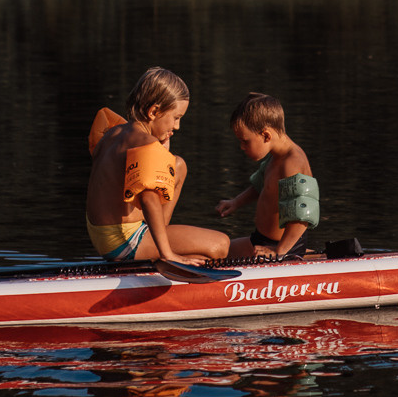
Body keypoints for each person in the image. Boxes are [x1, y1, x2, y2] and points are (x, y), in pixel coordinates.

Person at [86, 67, 231, 264]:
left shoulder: (114, 133)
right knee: (220, 246)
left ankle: (162, 246)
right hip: (125, 242)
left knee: (178, 165)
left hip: (103, 237)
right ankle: (163, 252)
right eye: (176, 118)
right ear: (154, 111)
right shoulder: (145, 144)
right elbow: (148, 200)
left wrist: (160, 150)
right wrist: (168, 254)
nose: (177, 126)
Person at [215, 92, 319, 260]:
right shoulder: (275, 157)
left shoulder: (292, 163)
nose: (241, 147)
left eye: (245, 141)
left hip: (285, 249)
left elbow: (302, 217)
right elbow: (261, 186)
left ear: (266, 135)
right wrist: (235, 202)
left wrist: (279, 252)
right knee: (213, 252)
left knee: (214, 255)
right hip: (261, 241)